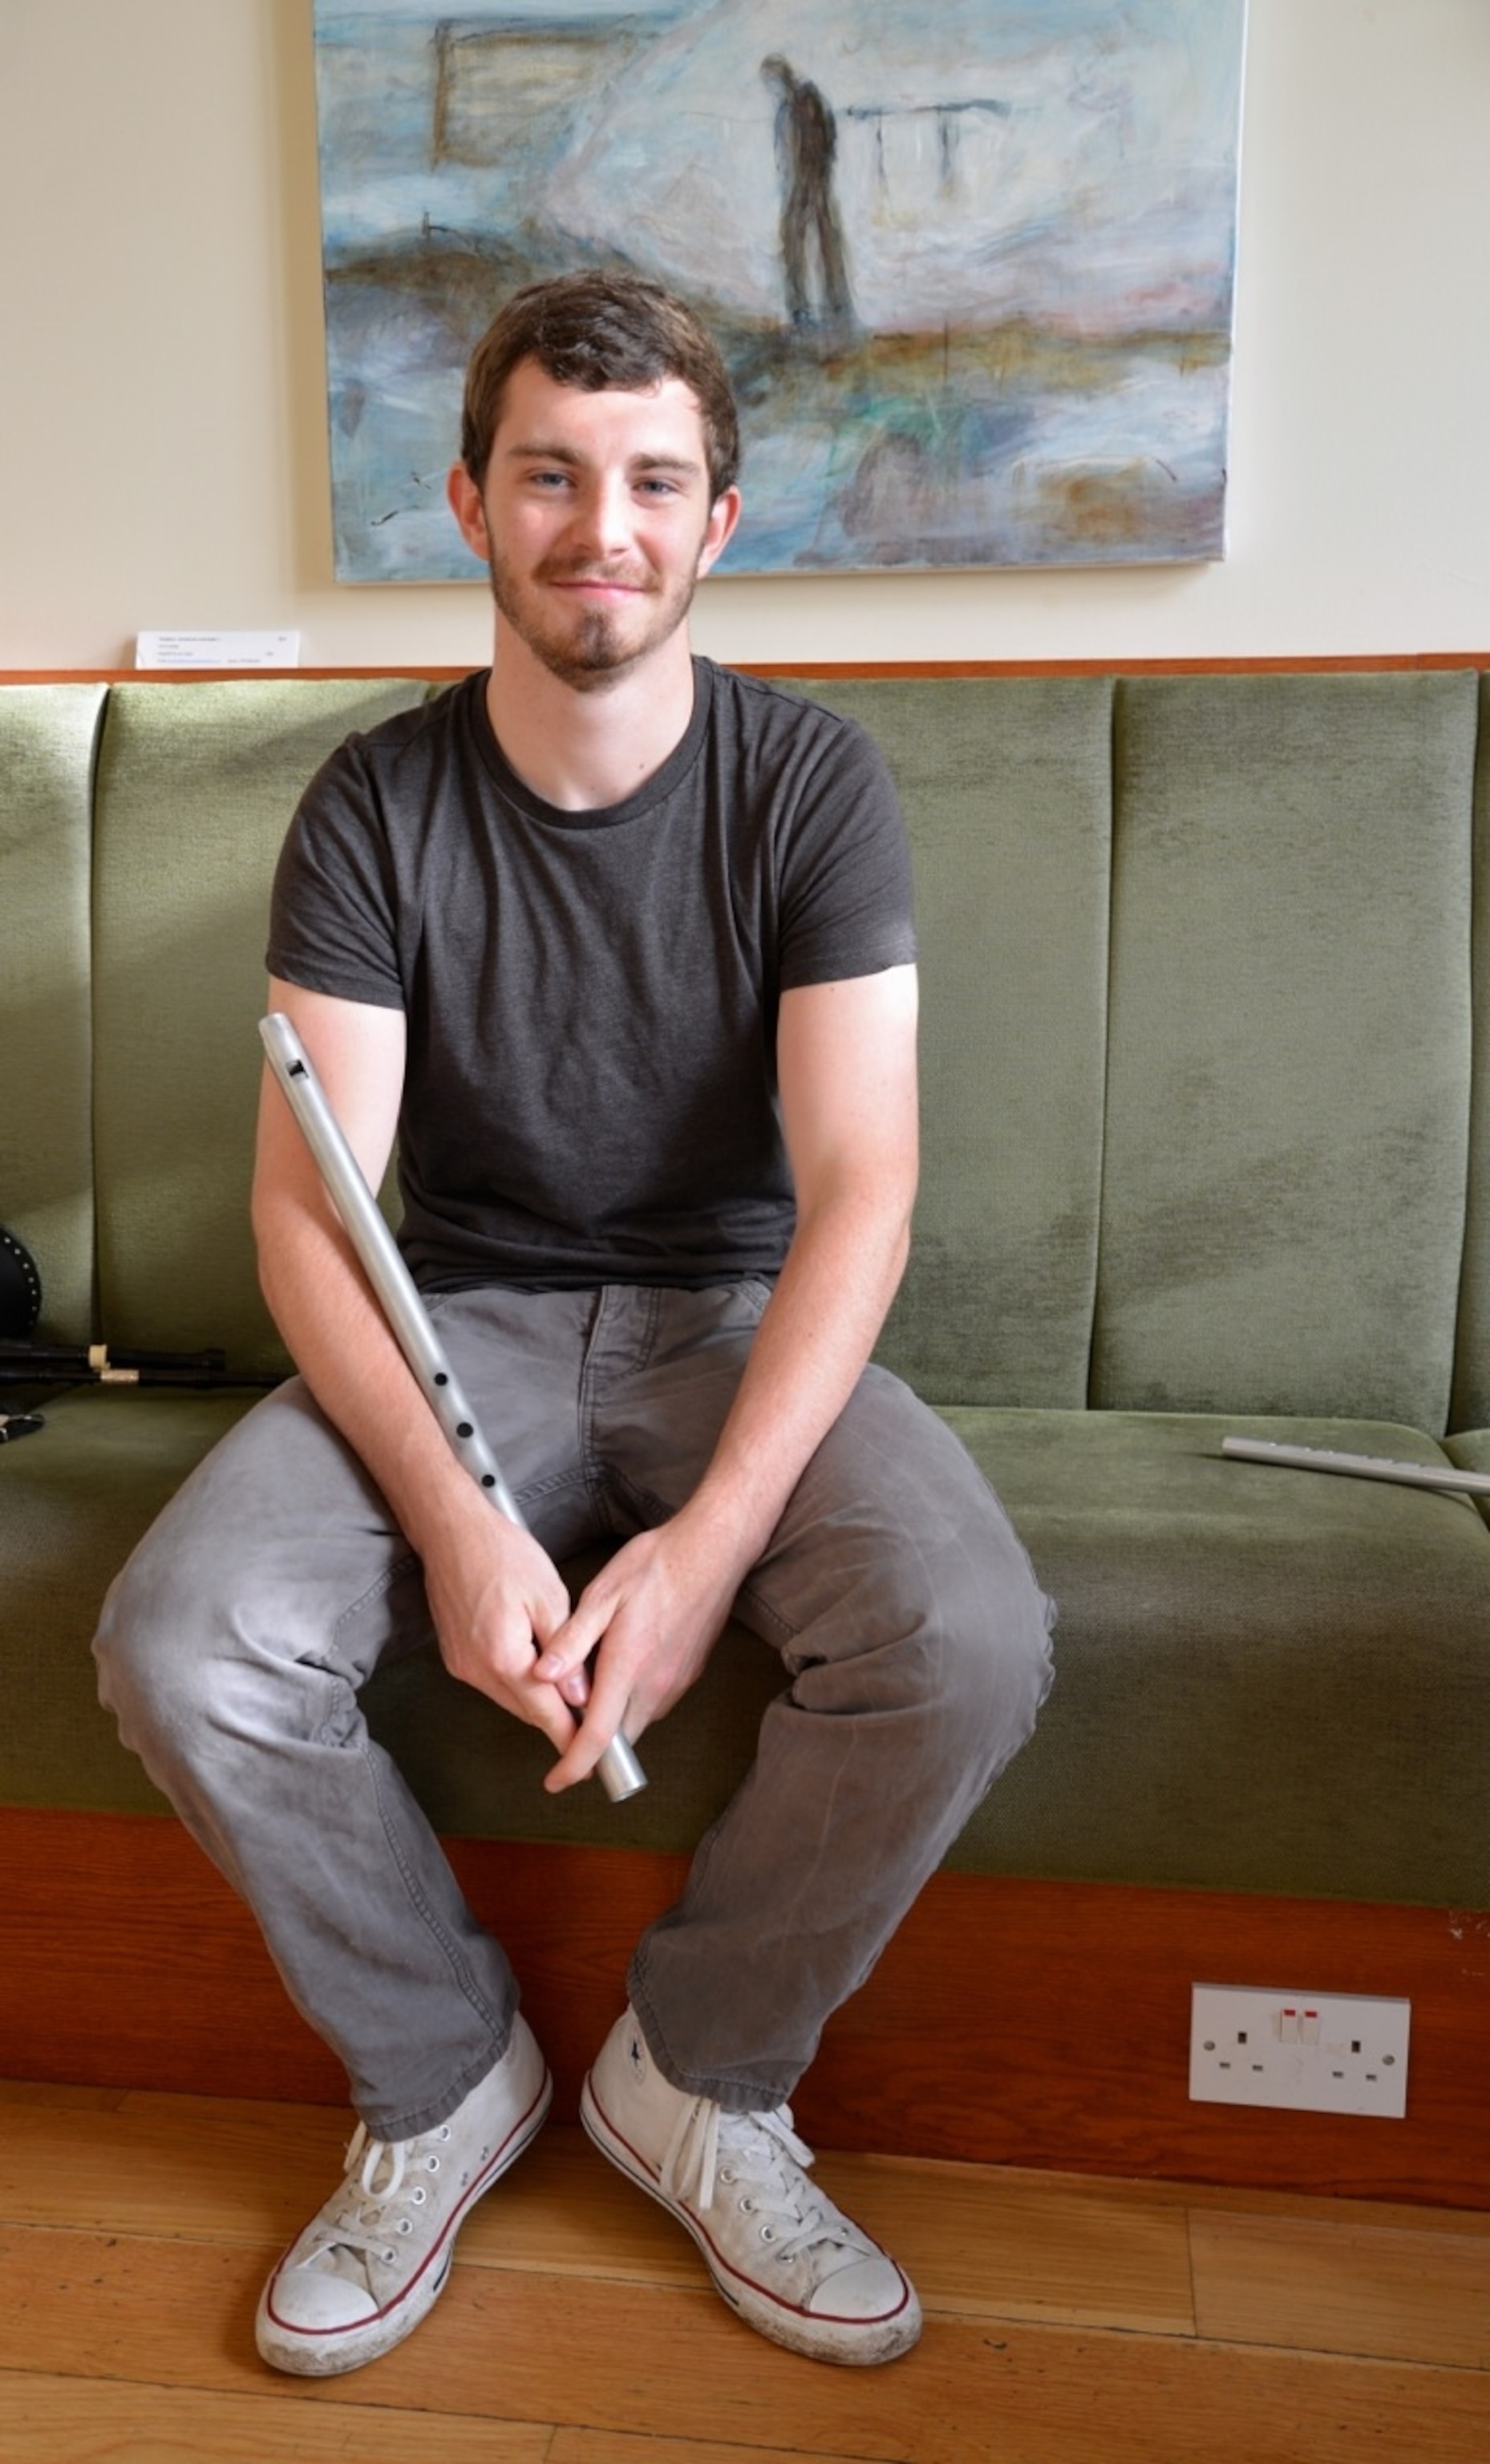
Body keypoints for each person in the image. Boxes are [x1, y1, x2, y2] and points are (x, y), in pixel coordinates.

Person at [94, 270, 1054, 2377]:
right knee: (179, 1639)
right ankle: (442, 2077)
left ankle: (696, 2077)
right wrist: (454, 1520)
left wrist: (705, 1547)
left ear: (718, 519)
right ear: (470, 502)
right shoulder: (367, 804)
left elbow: (862, 1189)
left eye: (646, 481)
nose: (595, 524)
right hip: (464, 1313)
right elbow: (304, 1212)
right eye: (548, 475)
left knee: (968, 1640)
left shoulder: (812, 787)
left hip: (733, 1306)